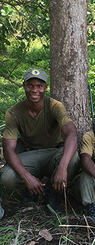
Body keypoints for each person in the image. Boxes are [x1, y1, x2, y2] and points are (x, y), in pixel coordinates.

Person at [1, 68, 79, 211]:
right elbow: (8, 149)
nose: (34, 90)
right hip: (31, 154)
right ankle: (31, 189)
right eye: (30, 85)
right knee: (7, 177)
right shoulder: (14, 112)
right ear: (24, 86)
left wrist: (62, 168)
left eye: (39, 86)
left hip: (54, 152)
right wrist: (27, 177)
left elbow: (72, 134)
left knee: (72, 158)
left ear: (45, 88)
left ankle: (54, 192)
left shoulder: (55, 106)